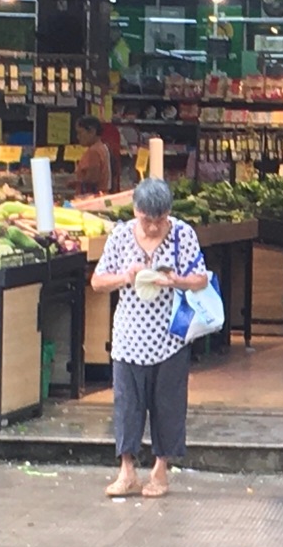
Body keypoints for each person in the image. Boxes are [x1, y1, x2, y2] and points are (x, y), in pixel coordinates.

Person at [90, 178, 209, 499]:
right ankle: (126, 471)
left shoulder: (182, 234)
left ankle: (160, 470)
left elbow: (200, 279)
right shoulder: (119, 236)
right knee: (127, 404)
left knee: (167, 404)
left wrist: (176, 280)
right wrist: (124, 276)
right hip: (129, 336)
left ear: (168, 214)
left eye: (160, 220)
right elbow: (97, 281)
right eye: (147, 220)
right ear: (136, 212)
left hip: (171, 336)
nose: (154, 227)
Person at [72, 115, 113, 196]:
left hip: (92, 197)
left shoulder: (93, 151)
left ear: (92, 131)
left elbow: (92, 179)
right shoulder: (102, 147)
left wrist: (74, 182)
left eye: (80, 132)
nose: (78, 137)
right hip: (102, 195)